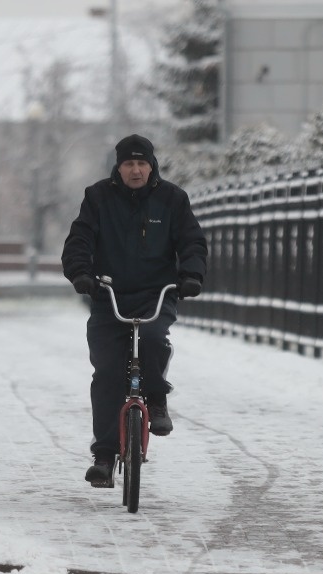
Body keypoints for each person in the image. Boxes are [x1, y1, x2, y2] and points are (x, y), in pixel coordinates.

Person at [61, 134, 208, 485]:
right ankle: (104, 455)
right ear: (119, 166)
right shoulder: (97, 198)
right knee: (108, 373)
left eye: (142, 163)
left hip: (156, 294)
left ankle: (156, 399)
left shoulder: (172, 199)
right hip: (108, 294)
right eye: (129, 164)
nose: (136, 170)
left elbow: (192, 241)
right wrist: (81, 274)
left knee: (155, 340)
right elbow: (79, 240)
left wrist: (191, 275)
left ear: (152, 165)